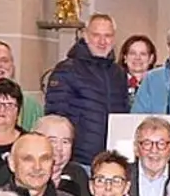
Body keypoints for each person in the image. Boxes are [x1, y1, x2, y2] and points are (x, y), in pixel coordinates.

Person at [44, 13, 130, 161]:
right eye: (96, 35)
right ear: (85, 35)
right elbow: (56, 117)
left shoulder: (119, 73)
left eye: (108, 36)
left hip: (110, 158)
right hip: (79, 159)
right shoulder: (67, 70)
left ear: (114, 38)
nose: (102, 41)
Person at [127, 116, 170, 196]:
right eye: (147, 144)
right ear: (136, 148)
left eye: (161, 144)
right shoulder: (122, 177)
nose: (154, 150)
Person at [33, 115, 89, 196]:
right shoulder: (25, 173)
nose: (59, 148)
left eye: (65, 142)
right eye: (52, 141)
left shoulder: (78, 174)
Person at [120, 35, 157, 104]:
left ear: (151, 58)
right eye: (132, 53)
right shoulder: (114, 83)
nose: (137, 58)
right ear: (125, 57)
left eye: (143, 54)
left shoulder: (160, 84)